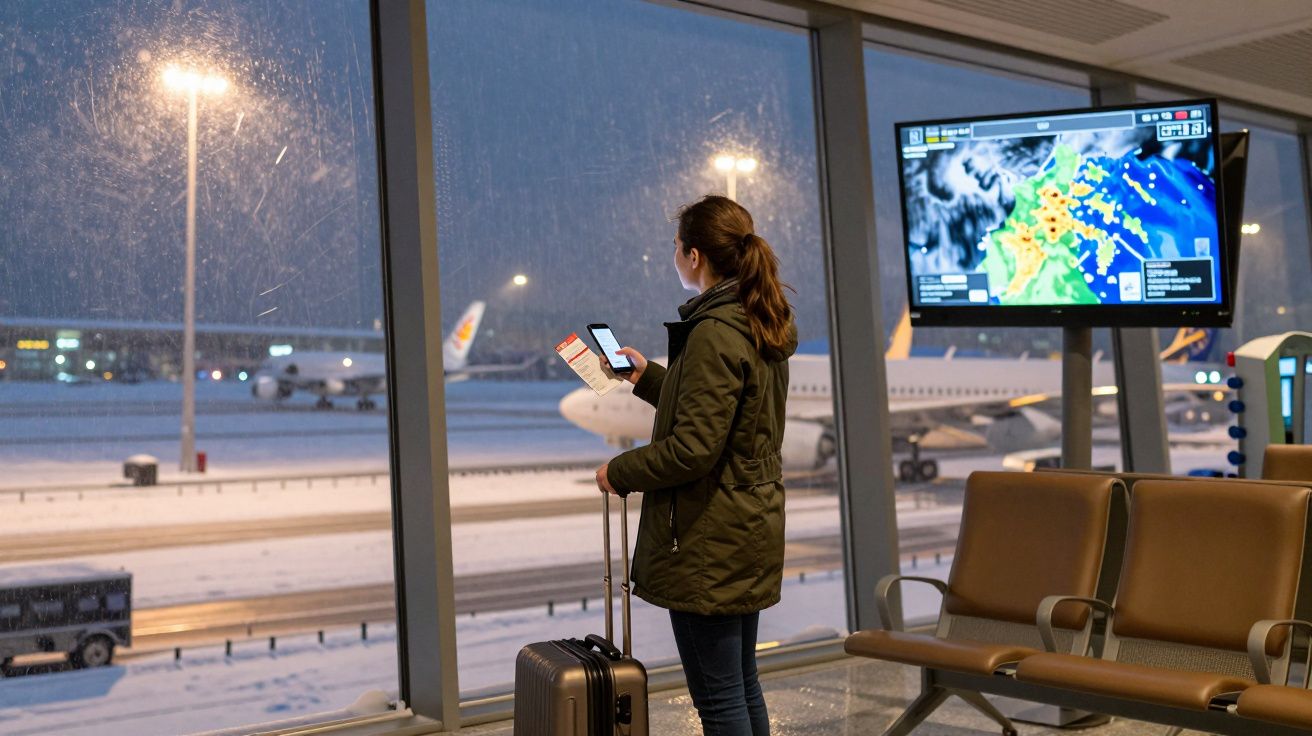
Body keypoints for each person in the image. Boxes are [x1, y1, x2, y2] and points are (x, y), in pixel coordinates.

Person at [595, 194, 796, 736]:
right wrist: (645, 377)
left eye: (676, 248)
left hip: (710, 535)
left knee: (719, 698)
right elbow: (726, 418)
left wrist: (620, 471)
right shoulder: (754, 320)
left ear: (695, 256)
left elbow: (694, 449)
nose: (675, 257)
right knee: (739, 684)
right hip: (744, 526)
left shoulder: (713, 331)